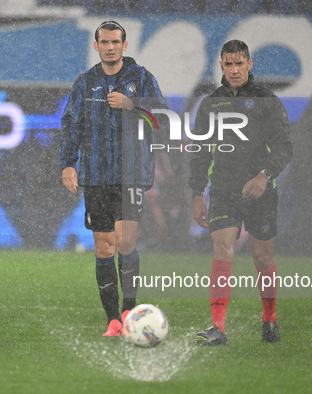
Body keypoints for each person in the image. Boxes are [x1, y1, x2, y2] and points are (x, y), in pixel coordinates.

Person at [60, 21, 167, 336]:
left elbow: (163, 118)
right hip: (95, 176)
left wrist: (132, 105)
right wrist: (68, 163)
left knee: (125, 241)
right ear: (96, 45)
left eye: (115, 42)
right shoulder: (86, 82)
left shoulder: (142, 78)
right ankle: (114, 320)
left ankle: (128, 311)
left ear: (125, 44)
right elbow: (71, 124)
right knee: (104, 246)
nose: (110, 47)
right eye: (104, 42)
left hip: (131, 174)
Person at [189, 39, 292, 345]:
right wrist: (197, 194)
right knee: (222, 249)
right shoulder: (210, 104)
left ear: (250, 65)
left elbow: (285, 148)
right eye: (228, 64)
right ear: (221, 66)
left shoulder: (267, 100)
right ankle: (218, 327)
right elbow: (200, 151)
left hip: (261, 193)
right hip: (222, 191)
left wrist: (264, 176)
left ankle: (269, 318)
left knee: (262, 257)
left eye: (239, 63)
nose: (234, 70)